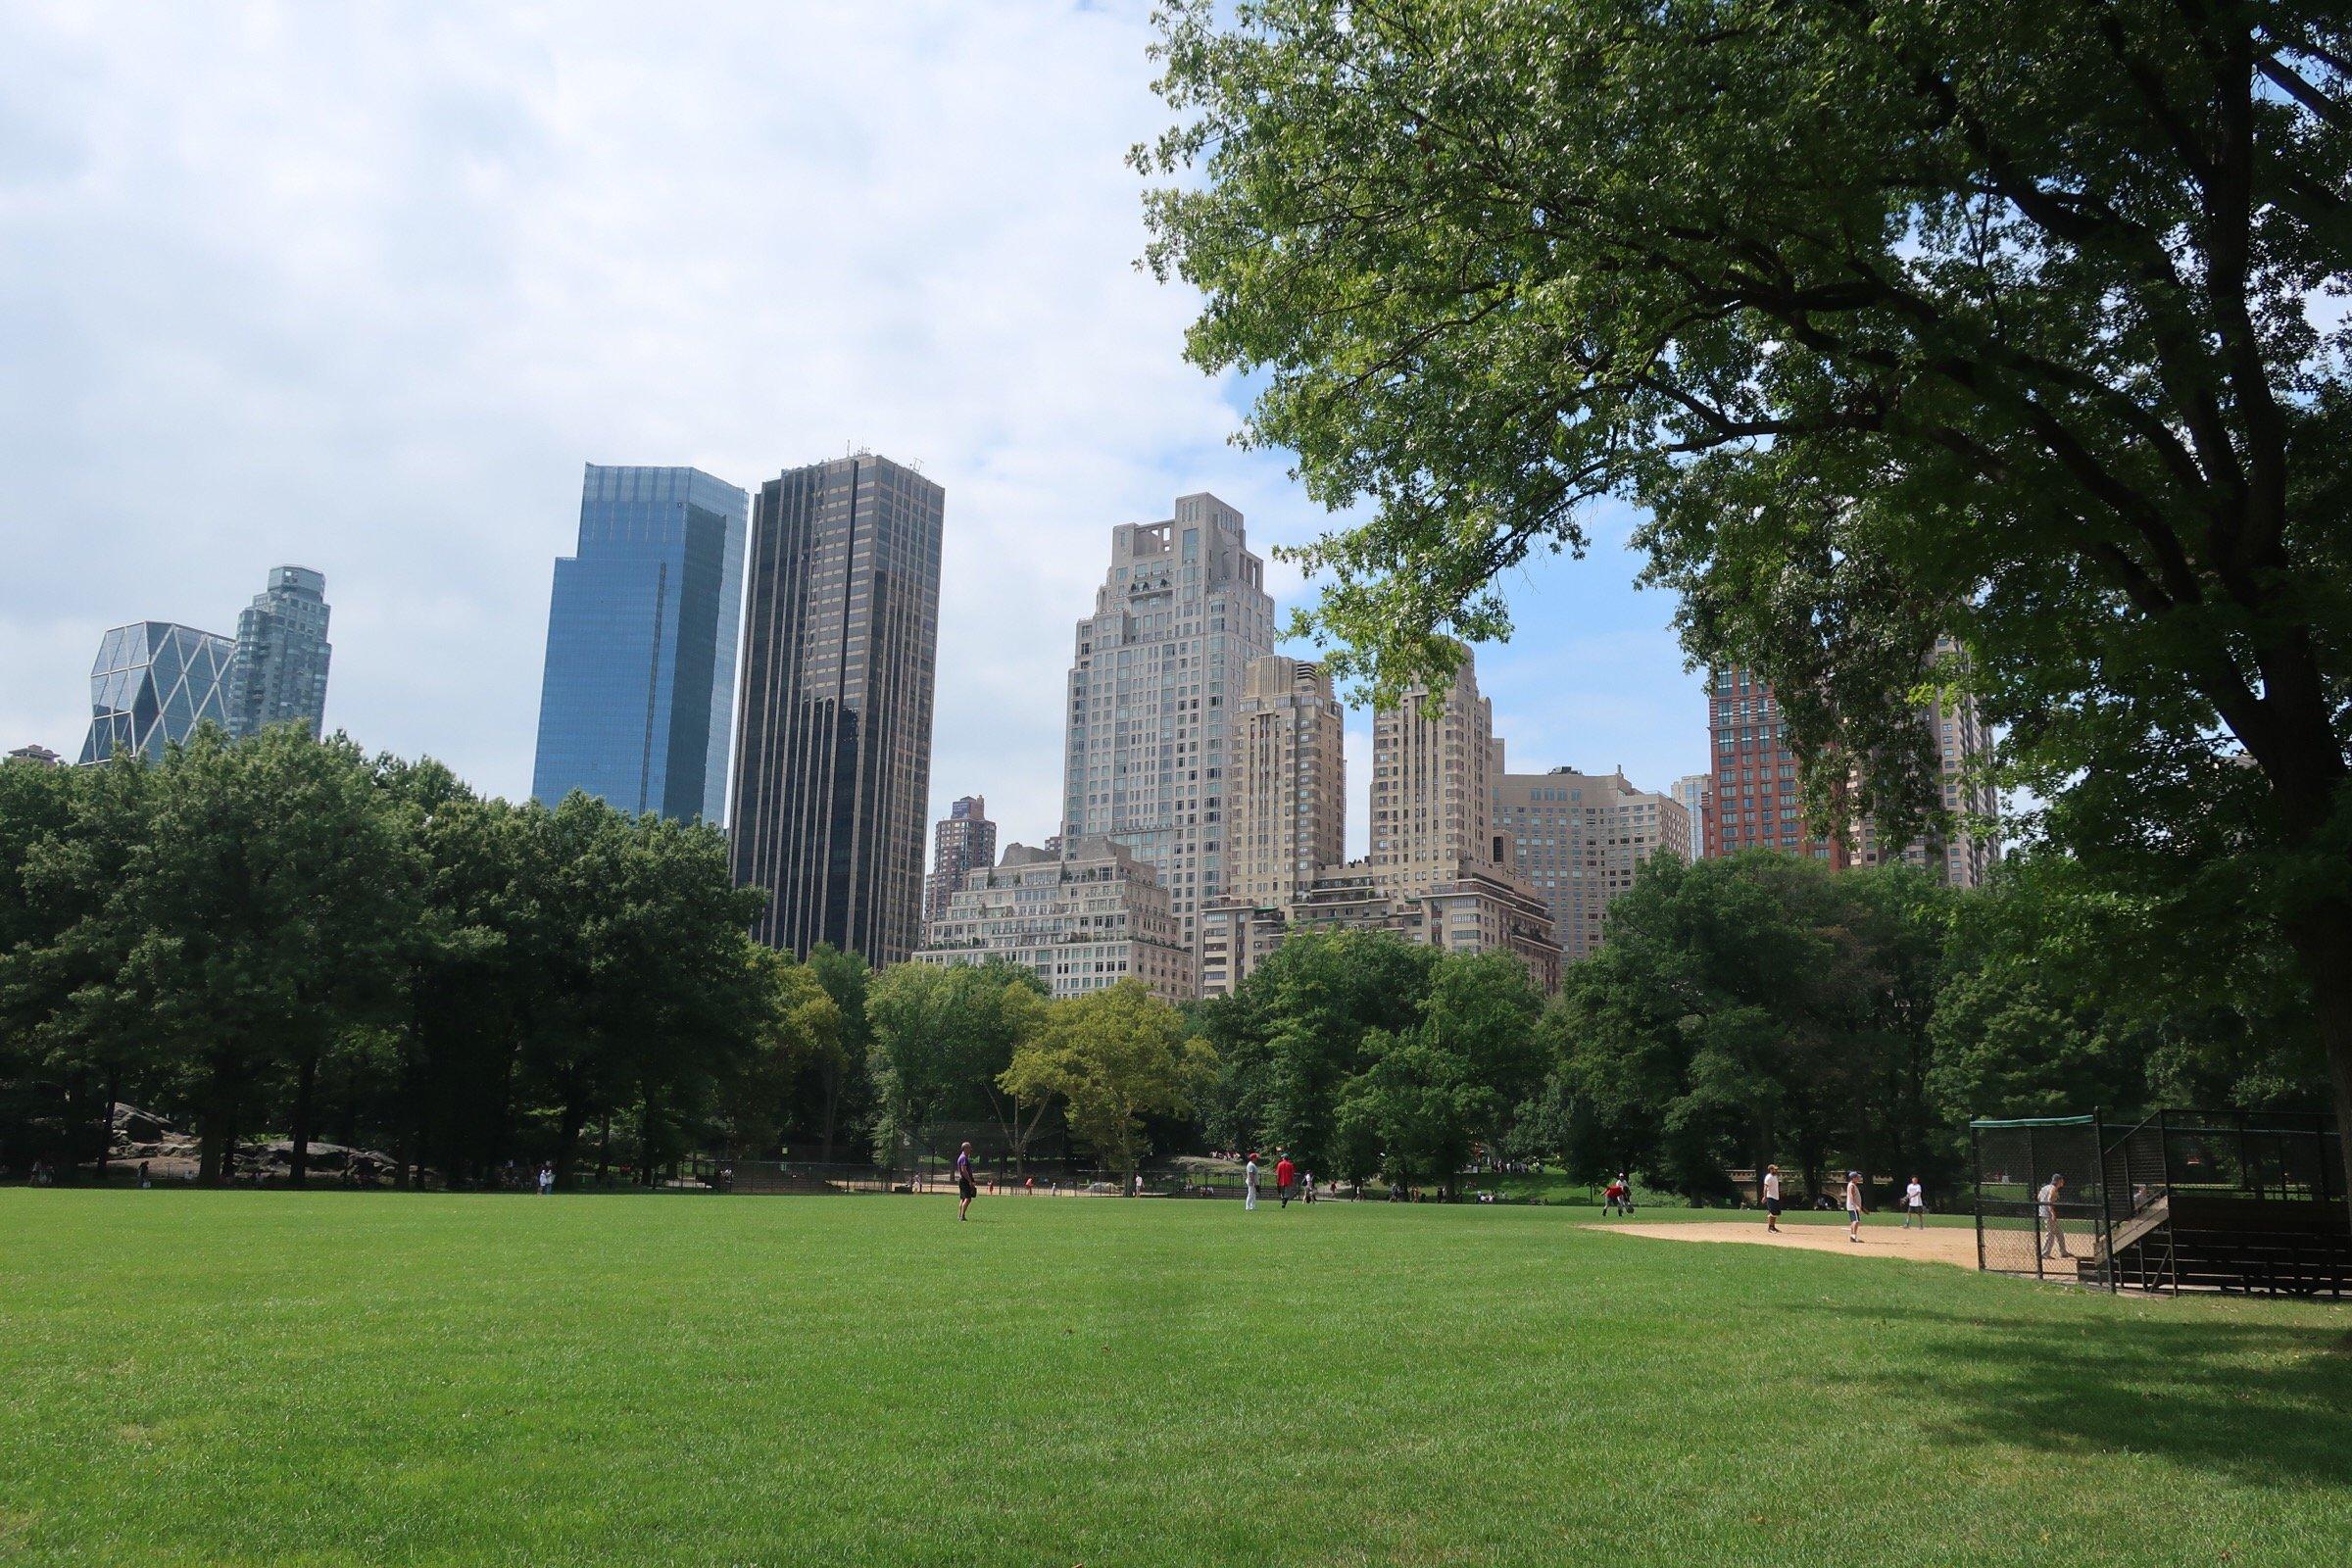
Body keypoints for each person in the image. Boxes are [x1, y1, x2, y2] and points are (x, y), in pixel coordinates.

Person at [2037, 1172, 2070, 1258]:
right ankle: (2045, 1254)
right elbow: (2049, 1200)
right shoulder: (2053, 1188)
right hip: (2049, 1214)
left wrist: (2043, 1207)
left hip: (2043, 1212)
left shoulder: (2044, 1187)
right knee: (2050, 1234)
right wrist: (2052, 1213)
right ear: (2058, 1181)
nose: (2063, 1182)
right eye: (2061, 1180)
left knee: (2059, 1233)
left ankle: (2063, 1252)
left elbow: (2039, 1197)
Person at [955, 1141, 978, 1221]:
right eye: (969, 1148)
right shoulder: (964, 1158)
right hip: (964, 1180)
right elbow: (964, 1170)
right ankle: (962, 1216)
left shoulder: (961, 1157)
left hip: (962, 1180)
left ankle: (959, 1215)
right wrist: (969, 1181)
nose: (970, 1150)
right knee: (968, 1199)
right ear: (965, 1148)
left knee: (963, 1199)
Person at [1844, 1170, 1865, 1243]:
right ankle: (1853, 1236)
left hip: (1852, 1206)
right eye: (1857, 1177)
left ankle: (1852, 1236)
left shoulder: (1852, 1185)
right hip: (1853, 1206)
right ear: (1853, 1178)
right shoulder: (1852, 1186)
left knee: (1854, 1221)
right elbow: (1851, 1197)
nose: (1859, 1178)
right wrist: (1856, 1206)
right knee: (1856, 1221)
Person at [1762, 1163, 1782, 1233]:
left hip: (1776, 1197)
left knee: (1775, 1213)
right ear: (1771, 1170)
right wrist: (1765, 1196)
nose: (1776, 1170)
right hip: (1770, 1196)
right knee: (1772, 1212)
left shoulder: (1775, 1176)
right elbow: (1765, 1187)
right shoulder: (1769, 1177)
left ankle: (1773, 1227)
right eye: (1775, 1169)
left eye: (1776, 1169)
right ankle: (1770, 1228)